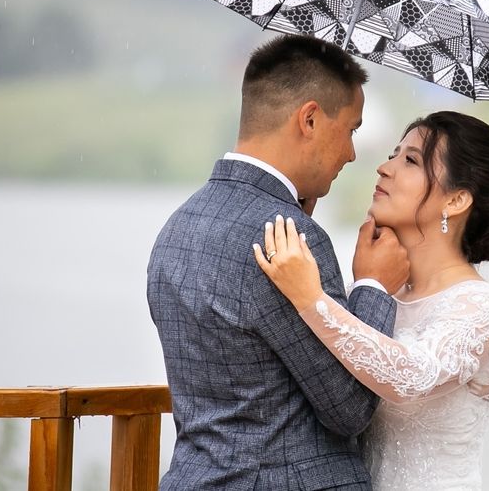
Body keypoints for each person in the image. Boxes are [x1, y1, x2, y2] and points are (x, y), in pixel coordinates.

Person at [255, 111, 489, 490]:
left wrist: (311, 299)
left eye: (410, 161)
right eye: (393, 155)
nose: (384, 168)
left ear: (457, 199)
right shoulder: (381, 294)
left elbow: (411, 376)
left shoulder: (481, 308)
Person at [147, 34, 410, 490]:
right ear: (309, 119)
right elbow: (350, 408)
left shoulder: (177, 228)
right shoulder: (291, 238)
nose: (352, 153)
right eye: (351, 130)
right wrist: (373, 287)